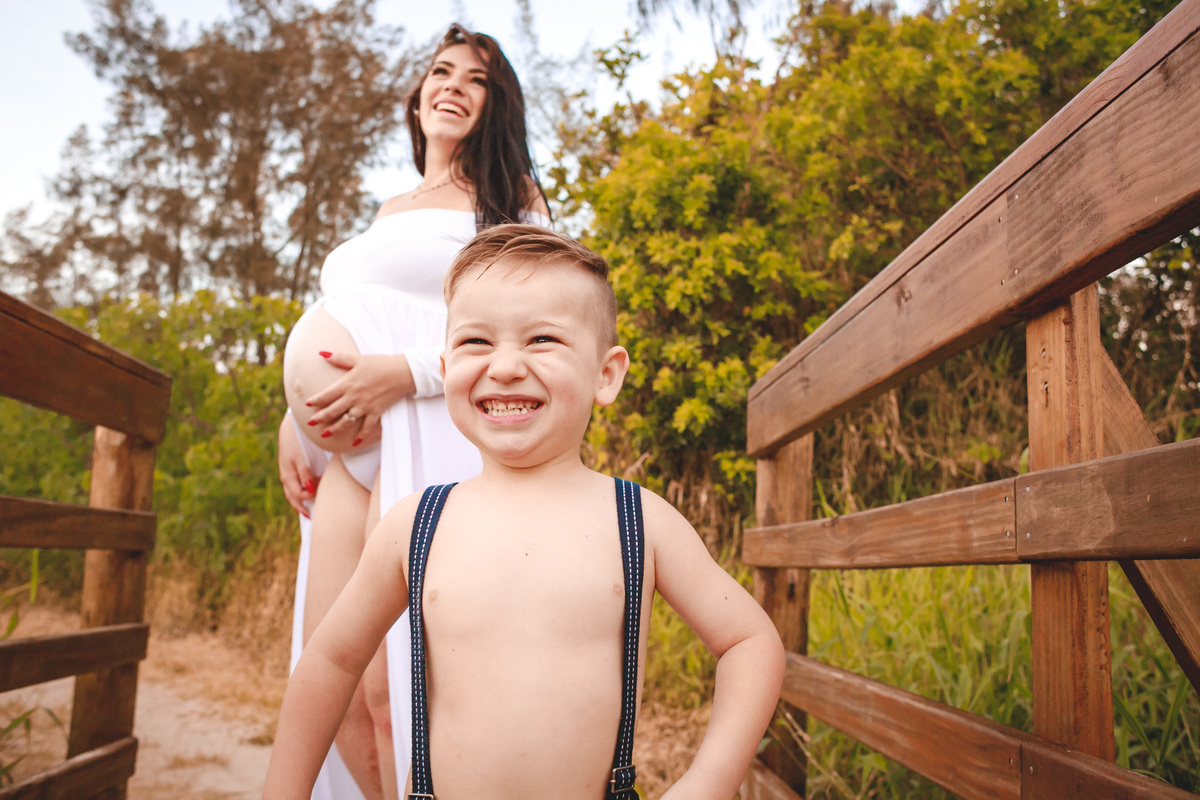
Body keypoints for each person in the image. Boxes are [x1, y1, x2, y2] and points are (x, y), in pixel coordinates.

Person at [264, 224, 786, 800]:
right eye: (476, 343)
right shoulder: (416, 525)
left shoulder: (638, 522)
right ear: (444, 364)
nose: (506, 366)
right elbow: (331, 663)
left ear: (605, 375)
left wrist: (708, 782)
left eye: (542, 340)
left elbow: (749, 643)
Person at [275, 25, 551, 800]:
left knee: (396, 691)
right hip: (345, 461)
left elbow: (532, 331)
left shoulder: (512, 201)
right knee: (329, 681)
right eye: (441, 70)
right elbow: (350, 311)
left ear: (499, 106)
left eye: (477, 79)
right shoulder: (393, 204)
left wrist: (405, 374)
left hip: (428, 436)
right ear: (418, 93)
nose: (453, 85)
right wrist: (293, 422)